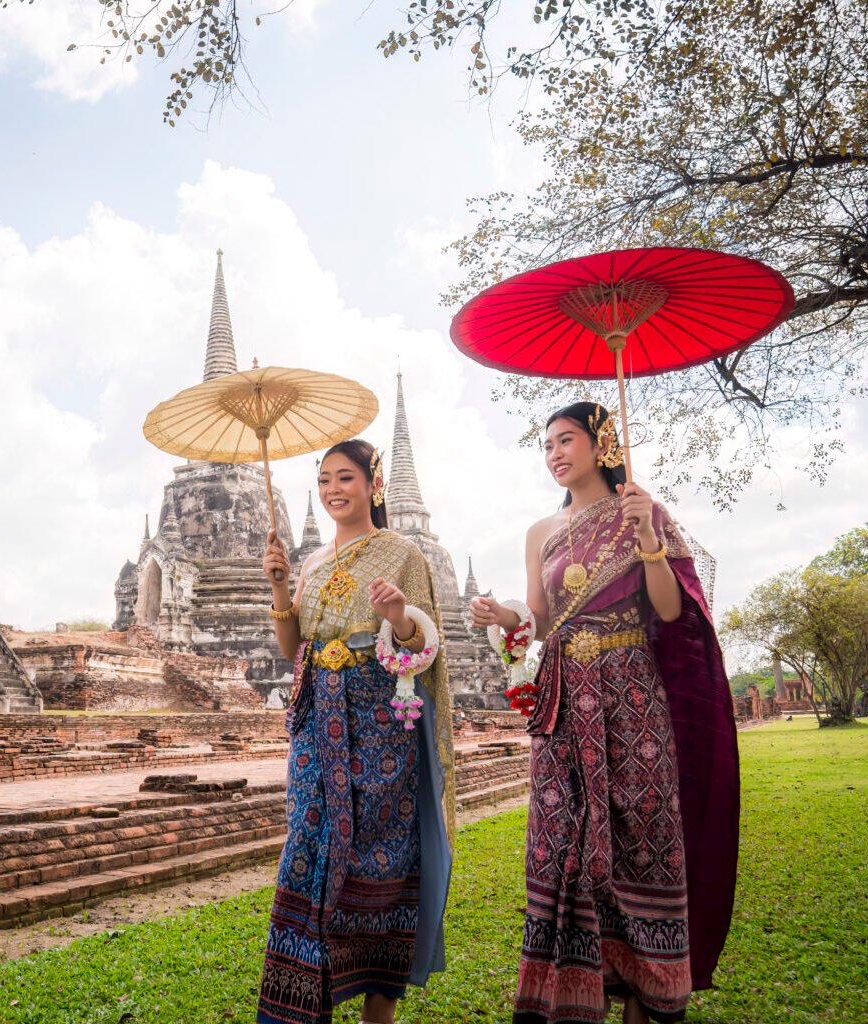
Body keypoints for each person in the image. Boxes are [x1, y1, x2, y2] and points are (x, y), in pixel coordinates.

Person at [470, 402, 739, 1024]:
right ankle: (572, 999)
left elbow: (670, 613)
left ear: (602, 444)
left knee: (641, 839)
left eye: (567, 440)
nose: (555, 454)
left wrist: (647, 538)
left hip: (632, 696)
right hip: (565, 701)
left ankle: (647, 1001)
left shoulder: (642, 512)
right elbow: (537, 618)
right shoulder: (542, 531)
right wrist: (503, 616)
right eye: (547, 445)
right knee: (563, 845)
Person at [255, 438, 456, 1024]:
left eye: (344, 477)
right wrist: (278, 587)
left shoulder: (401, 554)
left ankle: (378, 1014)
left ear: (373, 483)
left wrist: (398, 618)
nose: (333, 490)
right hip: (319, 725)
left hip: (381, 730)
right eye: (323, 481)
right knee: (306, 850)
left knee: (380, 863)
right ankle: (297, 1006)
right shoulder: (313, 562)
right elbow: (297, 653)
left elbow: (427, 647)